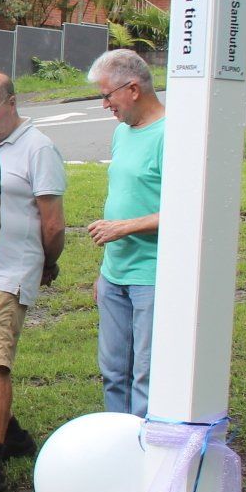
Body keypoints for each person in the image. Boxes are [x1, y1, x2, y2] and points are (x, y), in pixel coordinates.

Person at [0, 72, 68, 492]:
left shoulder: (38, 148)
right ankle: (14, 434)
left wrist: (47, 262)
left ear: (12, 103)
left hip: (13, 269)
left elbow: (54, 222)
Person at [88, 48, 164, 417]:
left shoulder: (171, 135)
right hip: (114, 274)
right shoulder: (122, 134)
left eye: (107, 95)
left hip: (151, 275)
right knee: (113, 372)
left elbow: (187, 212)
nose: (105, 105)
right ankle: (117, 446)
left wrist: (126, 227)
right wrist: (104, 272)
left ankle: (146, 454)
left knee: (145, 375)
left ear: (133, 89)